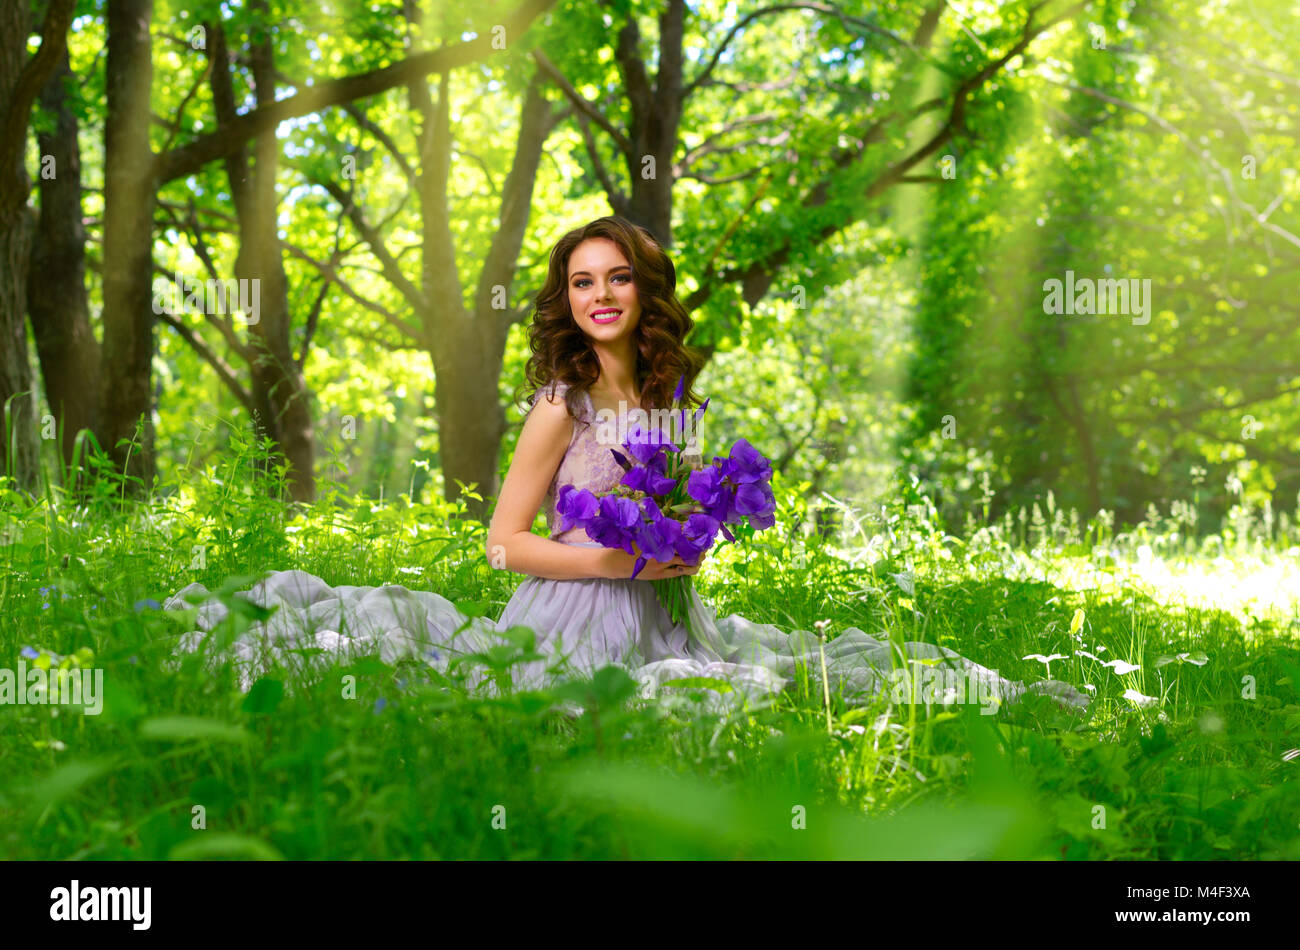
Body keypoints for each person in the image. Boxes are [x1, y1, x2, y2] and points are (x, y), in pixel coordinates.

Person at [166, 216, 1088, 717]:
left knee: (788, 679)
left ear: (642, 288)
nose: (599, 295)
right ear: (566, 302)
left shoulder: (675, 393)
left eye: (615, 277)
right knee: (643, 711)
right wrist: (615, 562)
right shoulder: (557, 406)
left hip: (670, 609)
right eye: (581, 281)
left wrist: (694, 548)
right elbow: (502, 546)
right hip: (575, 610)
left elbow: (682, 512)